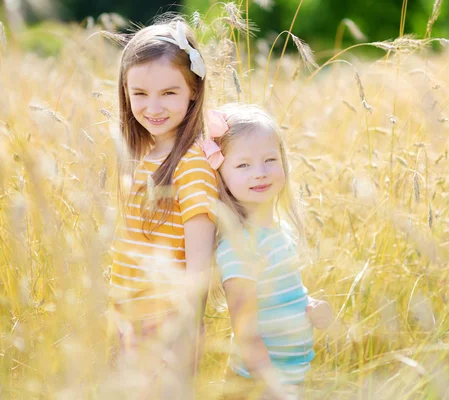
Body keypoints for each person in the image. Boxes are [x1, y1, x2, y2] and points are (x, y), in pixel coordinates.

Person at [107, 16, 216, 397]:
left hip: (165, 332)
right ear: (125, 93)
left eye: (169, 93)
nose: (152, 107)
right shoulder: (149, 155)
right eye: (140, 93)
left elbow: (199, 267)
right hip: (131, 322)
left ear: (193, 91)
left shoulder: (192, 165)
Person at [203, 104, 333, 399]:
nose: (260, 173)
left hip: (289, 379)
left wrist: (311, 306)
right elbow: (246, 331)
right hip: (256, 385)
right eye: (243, 165)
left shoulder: (279, 230)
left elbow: (280, 296)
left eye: (269, 159)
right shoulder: (240, 246)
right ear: (221, 176)